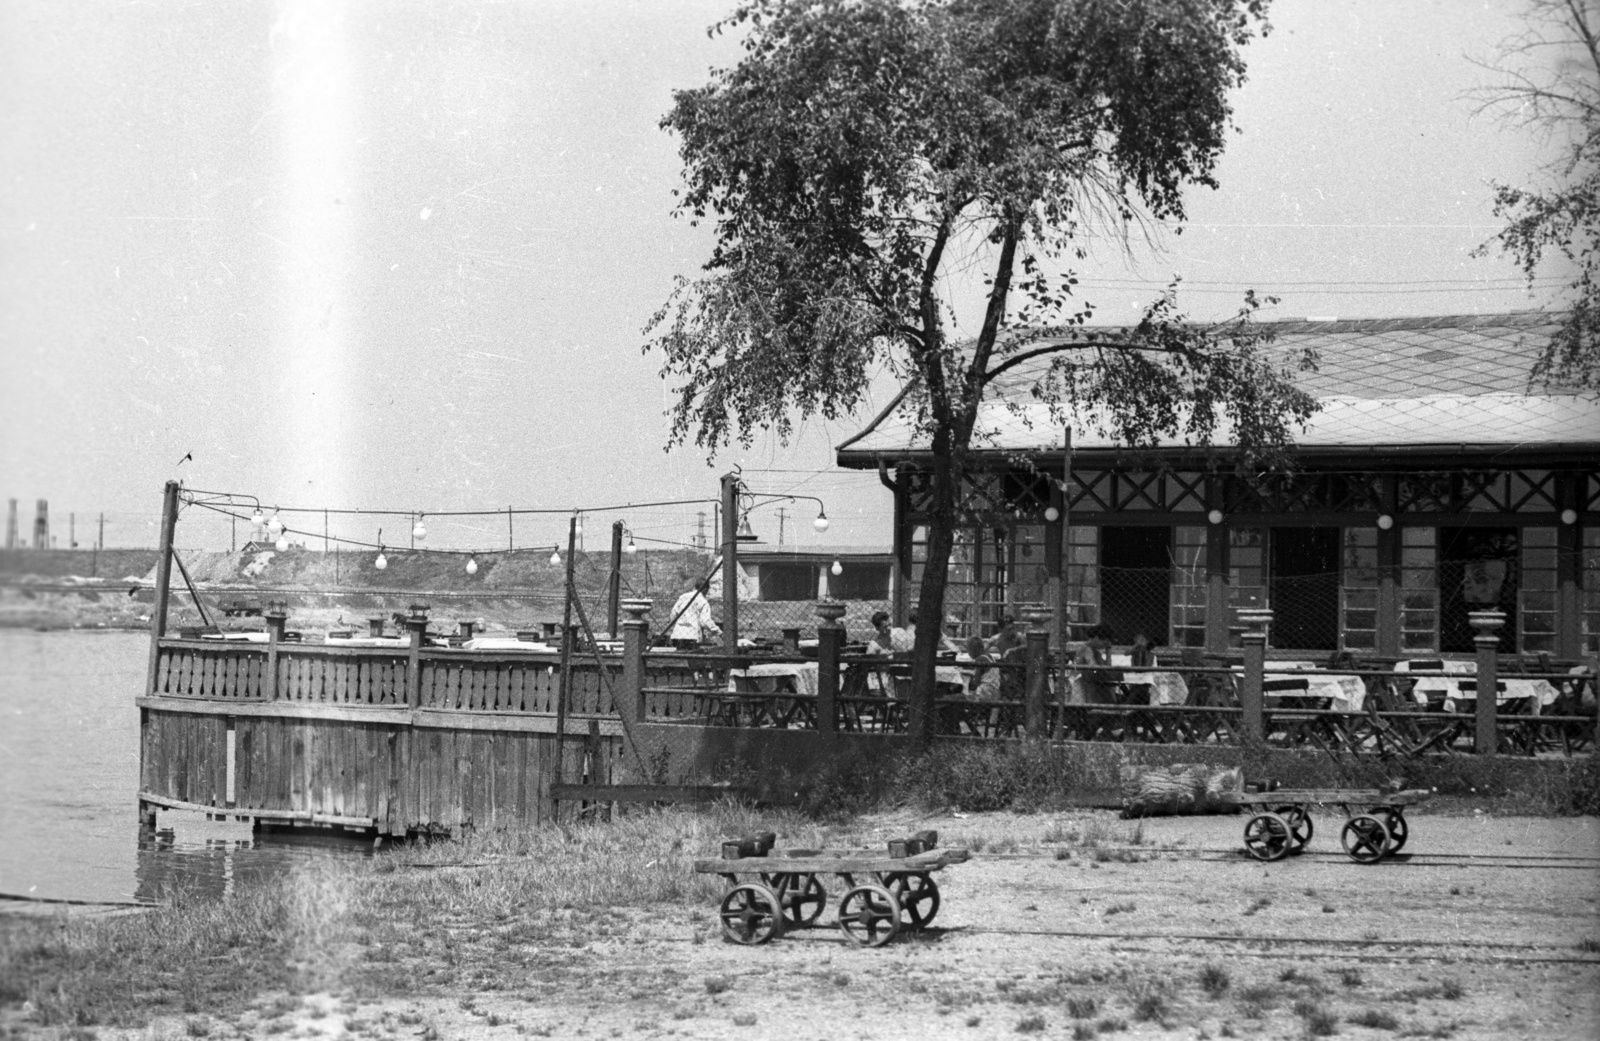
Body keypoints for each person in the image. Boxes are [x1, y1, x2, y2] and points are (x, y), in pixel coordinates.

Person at [1074, 621, 1119, 704]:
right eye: (1104, 643)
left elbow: (1107, 668)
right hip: (1083, 686)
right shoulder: (1085, 649)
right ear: (1097, 638)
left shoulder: (1096, 652)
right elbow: (1094, 666)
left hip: (1093, 684)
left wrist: (1108, 650)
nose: (1104, 646)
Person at [669, 580, 721, 650]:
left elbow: (674, 613)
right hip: (693, 636)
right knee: (692, 658)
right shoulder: (703, 602)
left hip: (679, 634)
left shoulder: (683, 596)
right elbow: (705, 621)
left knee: (680, 658)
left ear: (695, 587)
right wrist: (718, 632)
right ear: (705, 589)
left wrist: (674, 626)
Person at [965, 635, 1001, 700]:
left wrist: (968, 683)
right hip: (995, 692)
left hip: (984, 692)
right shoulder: (989, 656)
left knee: (960, 697)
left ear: (975, 649)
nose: (969, 653)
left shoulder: (980, 659)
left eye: (969, 650)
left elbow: (975, 683)